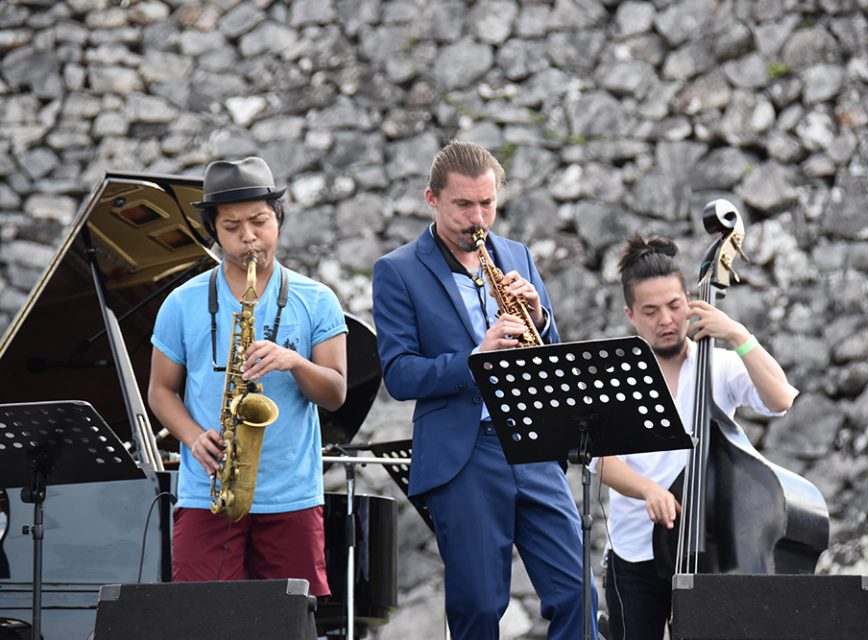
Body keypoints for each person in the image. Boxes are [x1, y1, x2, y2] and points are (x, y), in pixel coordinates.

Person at [372, 140, 598, 639]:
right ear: (431, 199)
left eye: (487, 203)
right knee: (477, 607)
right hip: (465, 453)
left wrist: (539, 317)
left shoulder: (516, 255)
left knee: (579, 593)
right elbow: (399, 374)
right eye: (463, 205)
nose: (477, 218)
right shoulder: (398, 270)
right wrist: (477, 360)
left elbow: (547, 352)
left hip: (532, 443)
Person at [148, 156, 348, 596]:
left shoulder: (318, 300)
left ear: (278, 218)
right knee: (202, 620)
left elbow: (335, 393)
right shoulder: (181, 303)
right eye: (231, 226)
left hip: (292, 495)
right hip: (209, 492)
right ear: (214, 232)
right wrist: (193, 437)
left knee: (289, 622)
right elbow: (160, 391)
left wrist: (294, 362)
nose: (248, 237)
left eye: (259, 221)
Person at [593, 233, 799, 640]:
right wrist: (648, 490)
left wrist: (738, 336)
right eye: (650, 311)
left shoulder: (719, 366)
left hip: (712, 545)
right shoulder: (618, 376)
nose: (666, 320)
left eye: (674, 306)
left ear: (689, 300)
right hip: (634, 549)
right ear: (630, 315)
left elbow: (780, 399)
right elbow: (602, 460)